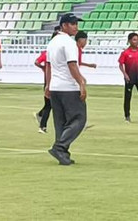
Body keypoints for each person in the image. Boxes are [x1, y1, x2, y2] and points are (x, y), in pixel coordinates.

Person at [45, 13, 88, 166]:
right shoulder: (69, 43)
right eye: (72, 24)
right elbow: (72, 65)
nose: (76, 26)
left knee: (60, 122)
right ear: (64, 26)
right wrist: (81, 83)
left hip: (56, 87)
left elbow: (48, 65)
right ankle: (60, 147)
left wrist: (47, 85)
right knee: (79, 118)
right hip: (68, 87)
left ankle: (63, 153)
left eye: (76, 23)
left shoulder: (52, 42)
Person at [34, 27, 60, 134]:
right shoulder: (48, 53)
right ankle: (42, 125)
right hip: (50, 81)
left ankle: (40, 117)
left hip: (57, 81)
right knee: (50, 105)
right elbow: (37, 61)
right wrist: (43, 68)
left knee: (50, 105)